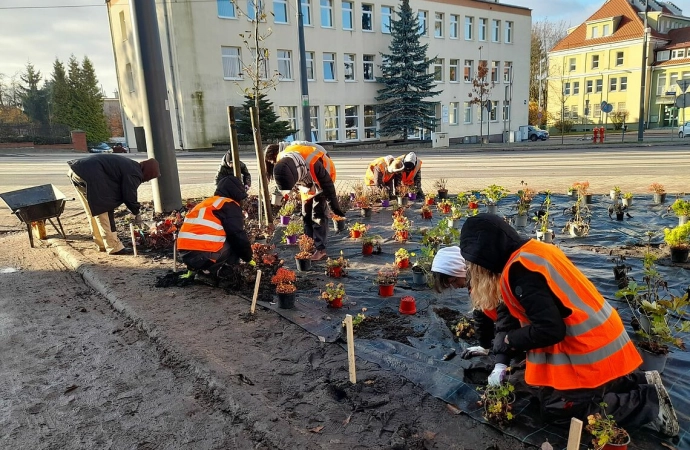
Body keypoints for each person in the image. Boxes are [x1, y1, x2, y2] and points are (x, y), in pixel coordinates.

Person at [431, 214, 679, 436]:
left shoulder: (521, 272)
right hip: (598, 335)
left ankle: (649, 404)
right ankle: (638, 381)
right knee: (546, 391)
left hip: (586, 347)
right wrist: (500, 359)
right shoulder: (530, 253)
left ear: (484, 254)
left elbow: (550, 330)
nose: (473, 271)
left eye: (474, 263)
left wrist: (511, 341)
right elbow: (507, 315)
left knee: (559, 410)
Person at [67, 154, 159, 255]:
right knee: (105, 210)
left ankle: (102, 244)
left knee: (93, 211)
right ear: (148, 172)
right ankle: (114, 247)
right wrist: (136, 212)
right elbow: (129, 196)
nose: (148, 180)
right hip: (90, 174)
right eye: (150, 177)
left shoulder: (132, 166)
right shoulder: (135, 173)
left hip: (77, 171)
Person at [266, 141, 345, 261]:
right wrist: (283, 197)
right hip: (306, 182)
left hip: (323, 177)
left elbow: (327, 185)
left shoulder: (312, 162)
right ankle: (308, 243)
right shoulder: (283, 159)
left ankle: (321, 249)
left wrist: (335, 208)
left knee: (318, 214)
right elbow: (282, 182)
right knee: (305, 213)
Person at [177, 176, 253, 280]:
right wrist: (248, 258)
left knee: (218, 236)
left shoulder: (207, 203)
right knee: (233, 241)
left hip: (185, 254)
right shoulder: (229, 204)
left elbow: (194, 236)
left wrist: (191, 268)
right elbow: (237, 235)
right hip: (204, 256)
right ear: (236, 194)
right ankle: (218, 272)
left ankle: (200, 269)